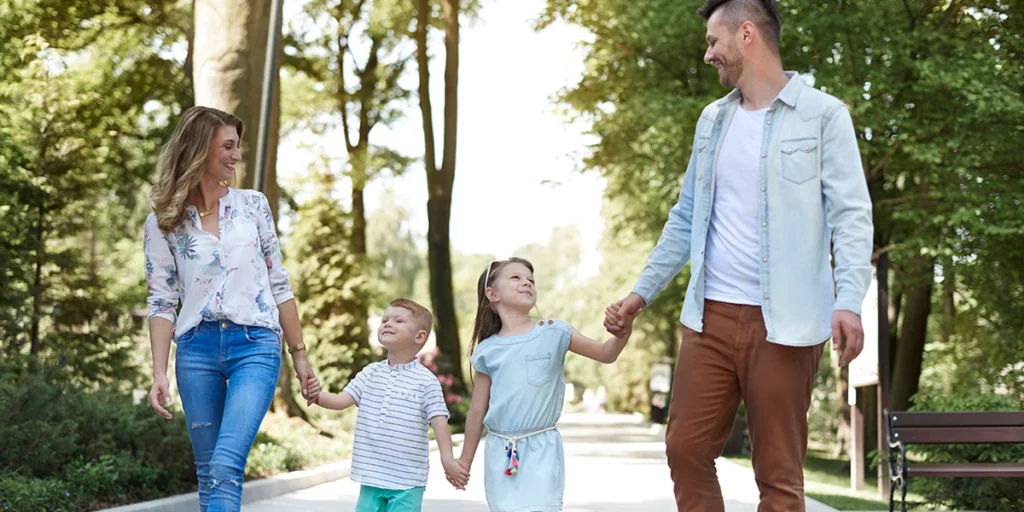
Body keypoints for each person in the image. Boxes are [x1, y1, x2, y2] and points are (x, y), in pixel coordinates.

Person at [605, 1, 874, 510]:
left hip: (785, 324)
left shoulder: (824, 116)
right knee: (684, 449)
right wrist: (641, 293)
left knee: (778, 476)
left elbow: (851, 216)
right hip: (709, 319)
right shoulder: (712, 121)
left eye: (713, 41)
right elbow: (685, 217)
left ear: (747, 34)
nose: (708, 55)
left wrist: (849, 299)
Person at [143, 105, 320, 512]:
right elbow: (162, 300)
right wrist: (158, 371)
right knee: (208, 470)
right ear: (199, 147)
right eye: (228, 145)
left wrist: (300, 357)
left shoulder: (253, 206)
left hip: (254, 345)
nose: (236, 155)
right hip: (195, 351)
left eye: (237, 146)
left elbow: (279, 283)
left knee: (225, 462)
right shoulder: (164, 221)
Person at [458, 257, 637, 512]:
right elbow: (477, 411)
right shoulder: (487, 351)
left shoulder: (555, 332)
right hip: (500, 452)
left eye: (530, 279)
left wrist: (622, 332)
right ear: (492, 293)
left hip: (542, 448)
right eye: (516, 278)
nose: (527, 283)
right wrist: (465, 461)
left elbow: (606, 354)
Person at [307, 298, 469, 512]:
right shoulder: (371, 372)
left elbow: (440, 423)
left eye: (398, 320)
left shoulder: (426, 381)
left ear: (419, 336)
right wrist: (316, 395)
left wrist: (447, 460)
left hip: (407, 482)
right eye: (385, 319)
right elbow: (341, 400)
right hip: (372, 476)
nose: (387, 323)